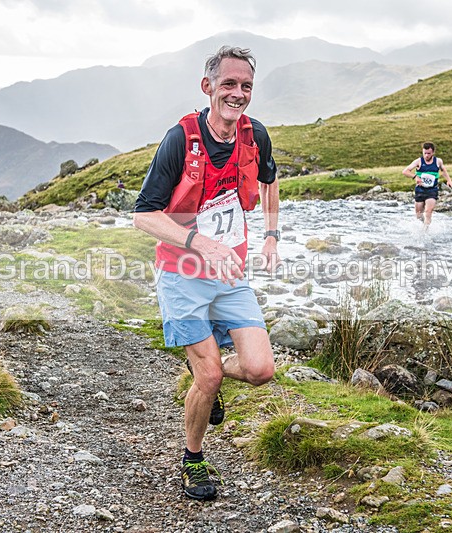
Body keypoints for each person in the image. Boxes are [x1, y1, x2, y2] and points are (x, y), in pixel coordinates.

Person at [133, 46, 280, 502]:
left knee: (260, 370)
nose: (238, 93)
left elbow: (270, 180)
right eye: (229, 84)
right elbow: (143, 215)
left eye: (246, 86)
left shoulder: (255, 135)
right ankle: (192, 459)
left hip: (230, 276)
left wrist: (271, 235)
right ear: (208, 87)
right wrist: (201, 243)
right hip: (181, 274)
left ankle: (205, 372)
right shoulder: (180, 140)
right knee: (210, 376)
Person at [402, 142, 452, 229]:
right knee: (419, 215)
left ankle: (426, 230)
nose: (426, 155)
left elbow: (443, 170)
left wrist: (449, 180)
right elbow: (405, 171)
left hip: (432, 190)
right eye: (425, 153)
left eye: (429, 153)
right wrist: (415, 177)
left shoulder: (438, 161)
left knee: (428, 211)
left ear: (433, 152)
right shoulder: (418, 161)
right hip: (420, 190)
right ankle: (424, 225)